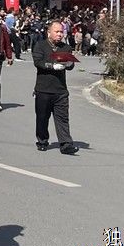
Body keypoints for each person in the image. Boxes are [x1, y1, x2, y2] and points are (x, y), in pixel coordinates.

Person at [32, 20, 79, 155]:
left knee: (62, 118)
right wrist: (52, 66)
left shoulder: (66, 48)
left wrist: (69, 64)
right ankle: (42, 141)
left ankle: (66, 144)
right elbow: (38, 62)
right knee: (42, 117)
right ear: (49, 32)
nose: (60, 34)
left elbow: (70, 64)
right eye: (57, 31)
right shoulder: (40, 46)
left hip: (60, 90)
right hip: (43, 89)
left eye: (61, 32)